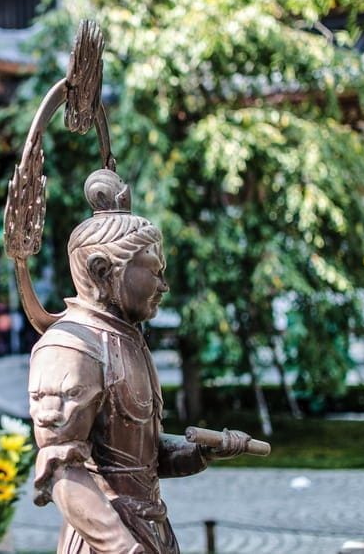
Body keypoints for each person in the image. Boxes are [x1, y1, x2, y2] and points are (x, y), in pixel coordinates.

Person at [28, 169, 249, 554]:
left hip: (152, 529)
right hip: (107, 542)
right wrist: (122, 548)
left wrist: (198, 450)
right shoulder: (71, 347)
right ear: (102, 271)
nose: (163, 285)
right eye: (155, 272)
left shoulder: (129, 339)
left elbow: (136, 456)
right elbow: (63, 471)